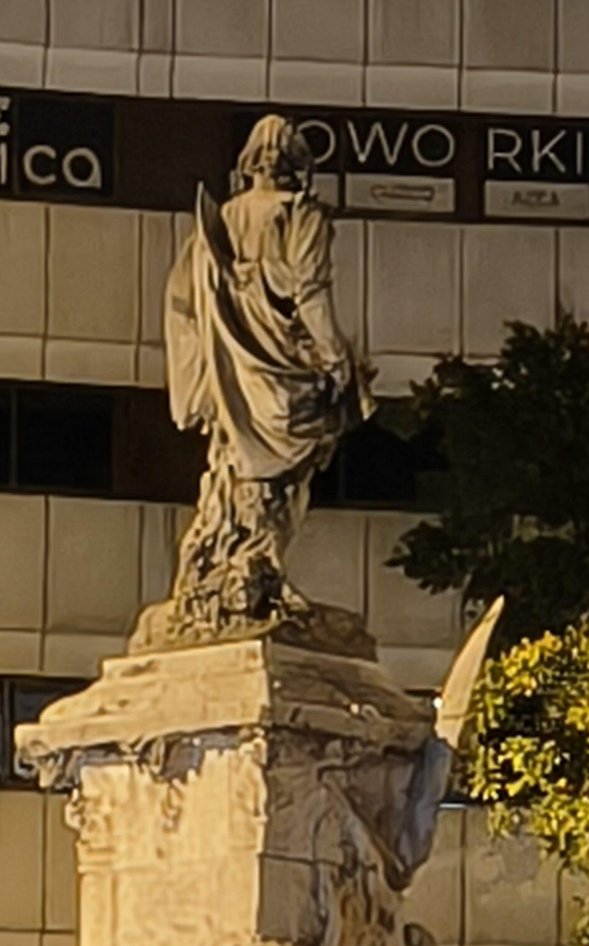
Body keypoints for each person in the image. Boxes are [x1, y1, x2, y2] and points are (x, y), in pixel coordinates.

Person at [163, 115, 372, 638]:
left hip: (232, 378)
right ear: (298, 165)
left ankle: (229, 574)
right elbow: (311, 296)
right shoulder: (302, 215)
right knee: (283, 484)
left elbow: (183, 303)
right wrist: (337, 360)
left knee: (234, 477)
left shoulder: (219, 222)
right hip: (285, 375)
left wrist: (207, 362)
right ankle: (255, 578)